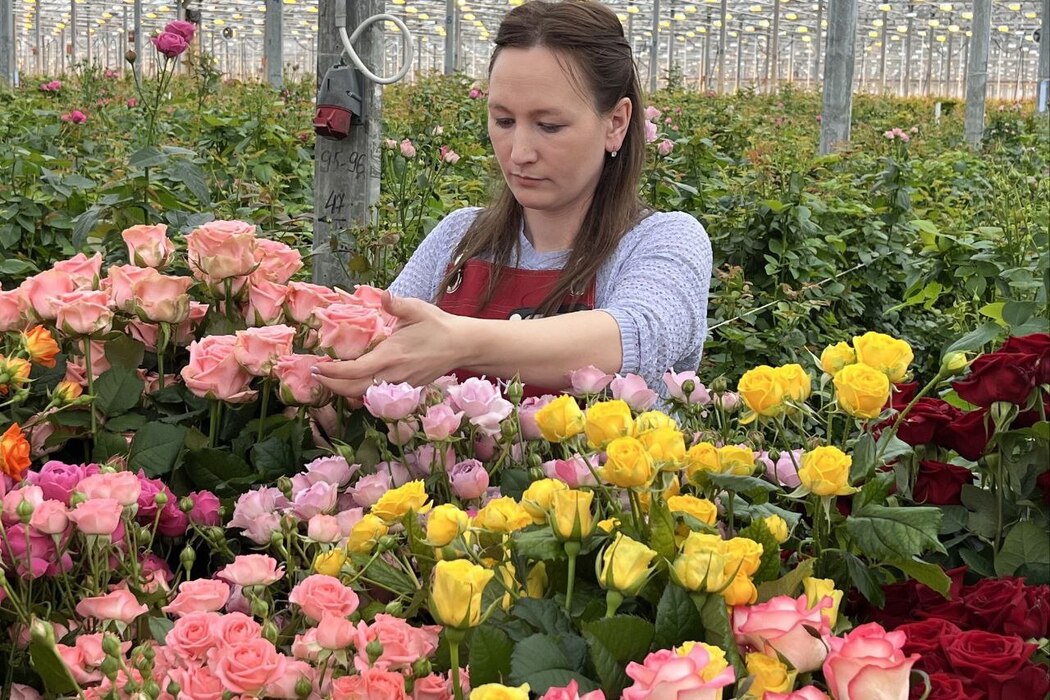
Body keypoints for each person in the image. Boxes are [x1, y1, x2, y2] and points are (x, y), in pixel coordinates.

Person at [315, 0, 711, 399]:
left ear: (616, 123)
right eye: (504, 121)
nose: (519, 152)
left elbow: (632, 341)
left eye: (549, 126)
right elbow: (383, 335)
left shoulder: (661, 240)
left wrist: (459, 342)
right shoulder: (459, 237)